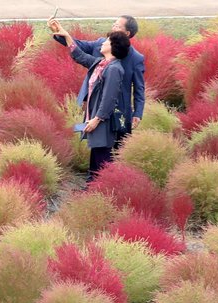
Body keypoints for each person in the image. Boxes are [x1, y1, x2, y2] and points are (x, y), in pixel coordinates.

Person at [49, 15, 146, 141]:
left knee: (119, 150)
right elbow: (79, 48)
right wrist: (61, 32)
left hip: (121, 111)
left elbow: (139, 89)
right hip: (97, 107)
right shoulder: (101, 44)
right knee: (99, 145)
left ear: (127, 33)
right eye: (114, 24)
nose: (113, 28)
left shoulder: (136, 58)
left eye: (117, 26)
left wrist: (137, 113)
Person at [61, 31, 132, 181]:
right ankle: (92, 188)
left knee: (103, 160)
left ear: (113, 46)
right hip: (97, 119)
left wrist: (96, 119)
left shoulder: (113, 69)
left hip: (103, 122)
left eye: (106, 41)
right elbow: (81, 56)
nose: (103, 43)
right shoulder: (102, 64)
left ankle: (105, 189)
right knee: (97, 156)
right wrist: (66, 35)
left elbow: (109, 98)